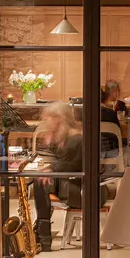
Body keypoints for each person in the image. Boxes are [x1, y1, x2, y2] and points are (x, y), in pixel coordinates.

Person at [30, 103, 84, 250]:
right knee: (41, 179)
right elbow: (61, 161)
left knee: (40, 182)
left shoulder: (76, 139)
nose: (45, 123)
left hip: (82, 190)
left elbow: (75, 167)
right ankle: (42, 230)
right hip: (72, 184)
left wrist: (52, 170)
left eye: (47, 119)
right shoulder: (66, 137)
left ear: (59, 118)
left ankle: (43, 234)